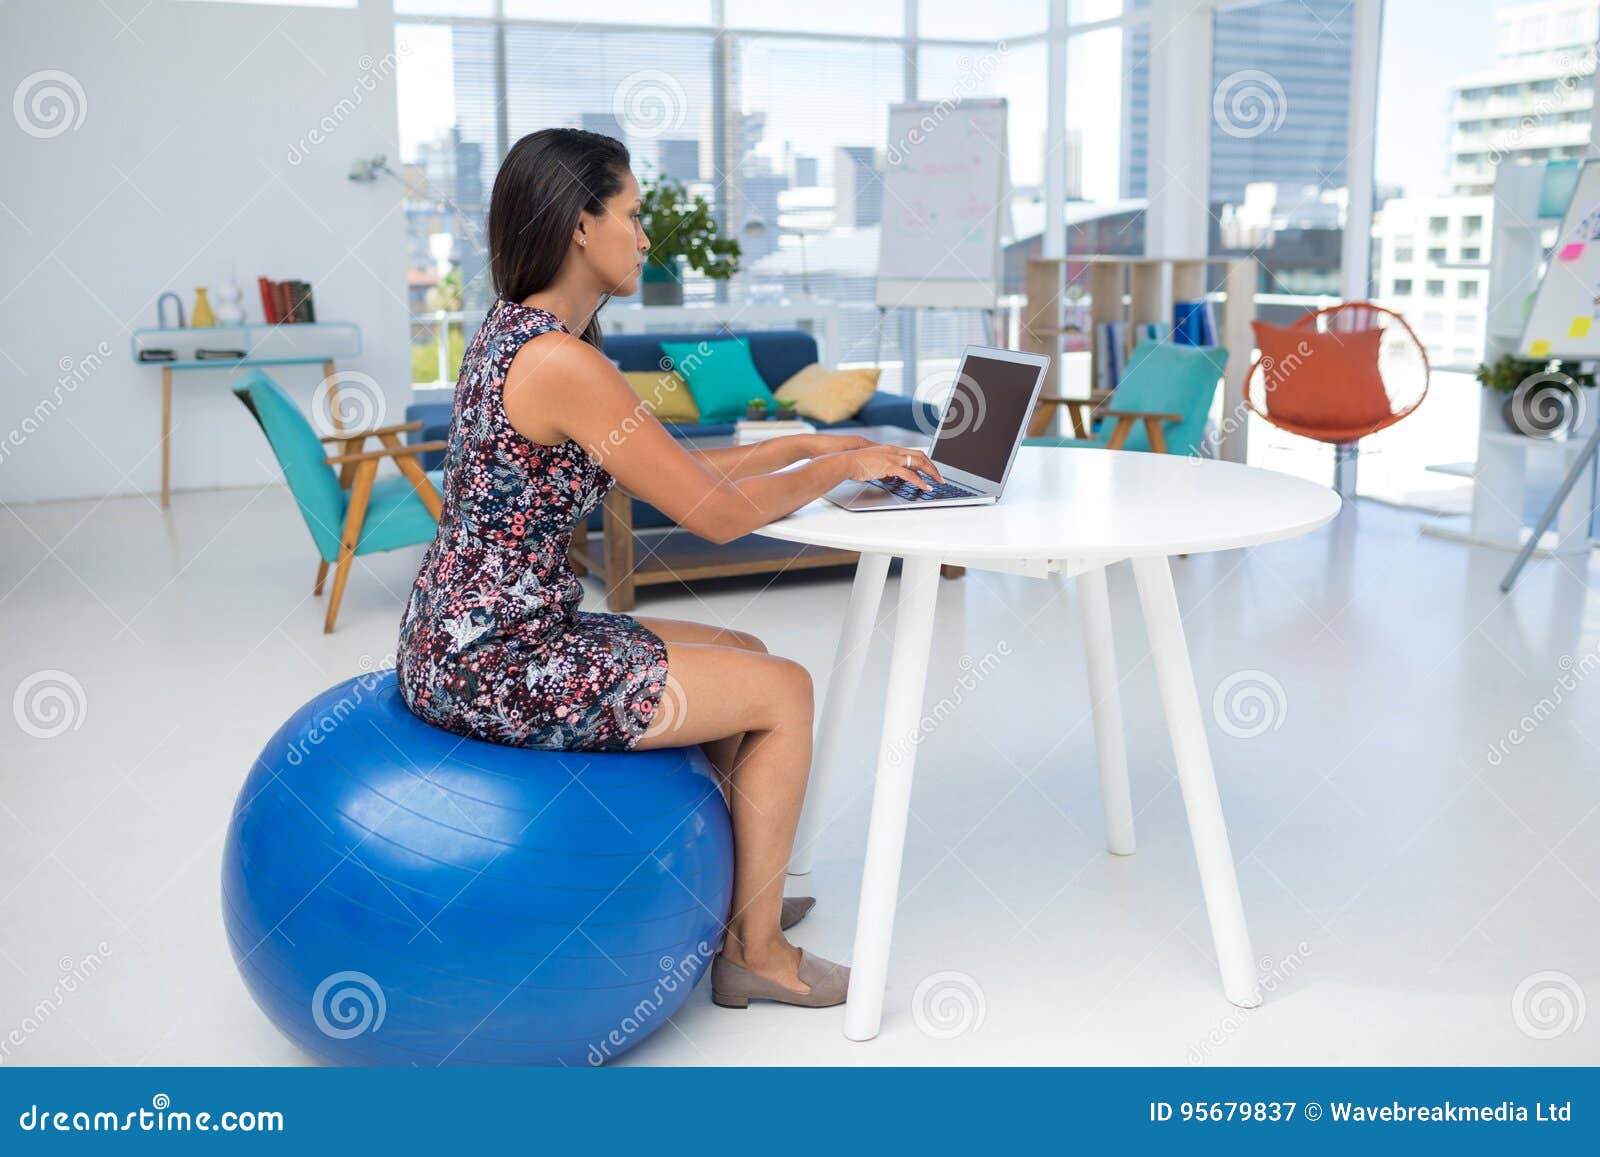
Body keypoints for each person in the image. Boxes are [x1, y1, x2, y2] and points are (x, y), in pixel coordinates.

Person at [396, 128, 939, 1010]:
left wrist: (807, 445)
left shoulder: (520, 336)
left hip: (475, 638)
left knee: (743, 644)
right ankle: (755, 956)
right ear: (581, 224)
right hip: (497, 661)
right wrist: (836, 472)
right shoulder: (562, 362)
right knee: (785, 689)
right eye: (634, 214)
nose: (646, 237)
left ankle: (740, 898)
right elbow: (714, 517)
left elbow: (681, 476)